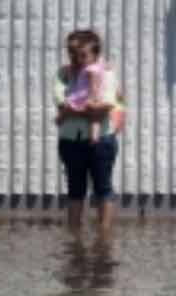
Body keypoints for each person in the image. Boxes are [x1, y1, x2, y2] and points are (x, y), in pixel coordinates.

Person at [53, 29, 122, 231]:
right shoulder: (63, 74)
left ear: (95, 53)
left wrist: (70, 112)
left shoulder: (106, 73)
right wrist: (88, 112)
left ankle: (104, 236)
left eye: (82, 54)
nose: (76, 58)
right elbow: (61, 102)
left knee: (103, 188)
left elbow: (106, 105)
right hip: (70, 140)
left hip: (102, 140)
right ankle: (74, 236)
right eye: (72, 53)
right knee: (75, 190)